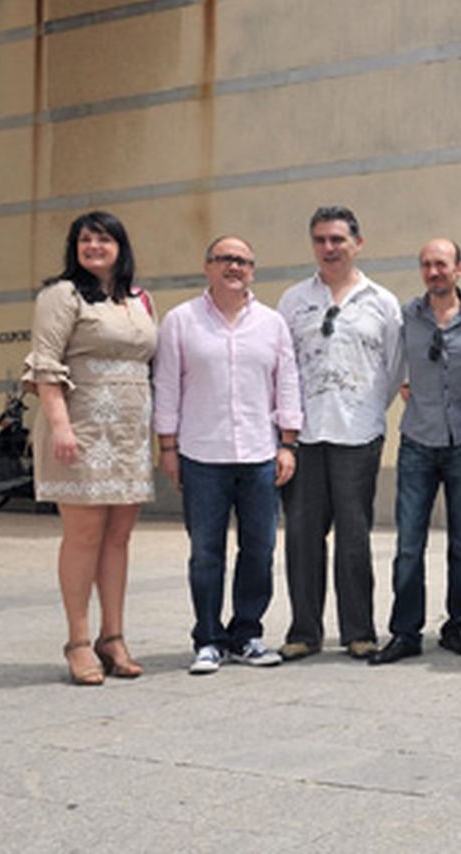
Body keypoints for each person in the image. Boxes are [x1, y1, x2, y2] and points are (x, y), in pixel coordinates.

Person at [153, 236, 301, 675]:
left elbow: (287, 383)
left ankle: (246, 635)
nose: (233, 267)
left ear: (252, 270)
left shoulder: (272, 323)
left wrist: (288, 444)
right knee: (205, 552)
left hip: (259, 454)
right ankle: (208, 639)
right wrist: (167, 447)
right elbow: (166, 387)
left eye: (242, 261)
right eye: (225, 259)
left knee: (259, 549)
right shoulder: (181, 321)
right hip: (201, 455)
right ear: (208, 267)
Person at [23, 211, 158, 685]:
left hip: (129, 436)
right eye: (85, 239)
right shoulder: (61, 295)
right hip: (80, 429)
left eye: (104, 239)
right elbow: (45, 364)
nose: (94, 246)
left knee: (119, 537)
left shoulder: (141, 299)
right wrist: (61, 426)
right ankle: (78, 642)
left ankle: (112, 637)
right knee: (83, 535)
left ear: (121, 247)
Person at [277, 206, 403, 661]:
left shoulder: (382, 302)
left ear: (357, 243)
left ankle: (359, 631)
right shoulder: (293, 301)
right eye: (320, 240)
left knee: (354, 538)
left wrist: (365, 409)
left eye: (337, 240)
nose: (329, 248)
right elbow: (281, 367)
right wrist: (286, 433)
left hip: (359, 436)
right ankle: (304, 631)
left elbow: (393, 368)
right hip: (305, 436)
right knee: (302, 537)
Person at [371, 239, 461, 666]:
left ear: (460, 268)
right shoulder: (406, 315)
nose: (433, 272)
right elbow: (387, 360)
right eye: (426, 265)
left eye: (441, 264)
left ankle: (458, 626)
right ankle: (405, 632)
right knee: (409, 544)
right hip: (417, 442)